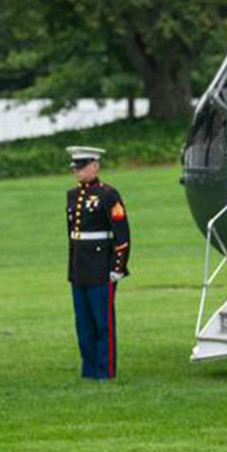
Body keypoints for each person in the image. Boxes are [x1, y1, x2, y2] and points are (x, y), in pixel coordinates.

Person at [66, 146, 131, 380]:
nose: (77, 172)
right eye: (76, 167)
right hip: (80, 269)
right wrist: (72, 269)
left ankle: (105, 371)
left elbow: (121, 235)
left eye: (82, 167)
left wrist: (117, 268)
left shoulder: (108, 195)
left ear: (95, 166)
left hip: (102, 269)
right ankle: (89, 370)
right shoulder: (72, 196)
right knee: (83, 325)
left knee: (102, 323)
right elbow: (73, 237)